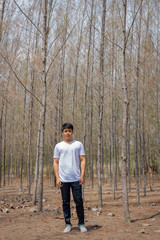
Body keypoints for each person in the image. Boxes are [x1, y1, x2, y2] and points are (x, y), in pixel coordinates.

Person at [53, 122, 87, 233]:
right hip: (63, 179)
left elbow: (82, 159)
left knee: (79, 201)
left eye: (70, 131)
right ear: (62, 133)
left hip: (76, 178)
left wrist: (82, 175)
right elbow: (56, 162)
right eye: (66, 131)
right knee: (65, 202)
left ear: (72, 132)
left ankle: (81, 223)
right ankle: (68, 224)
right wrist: (57, 178)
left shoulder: (78, 144)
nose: (68, 133)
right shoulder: (58, 146)